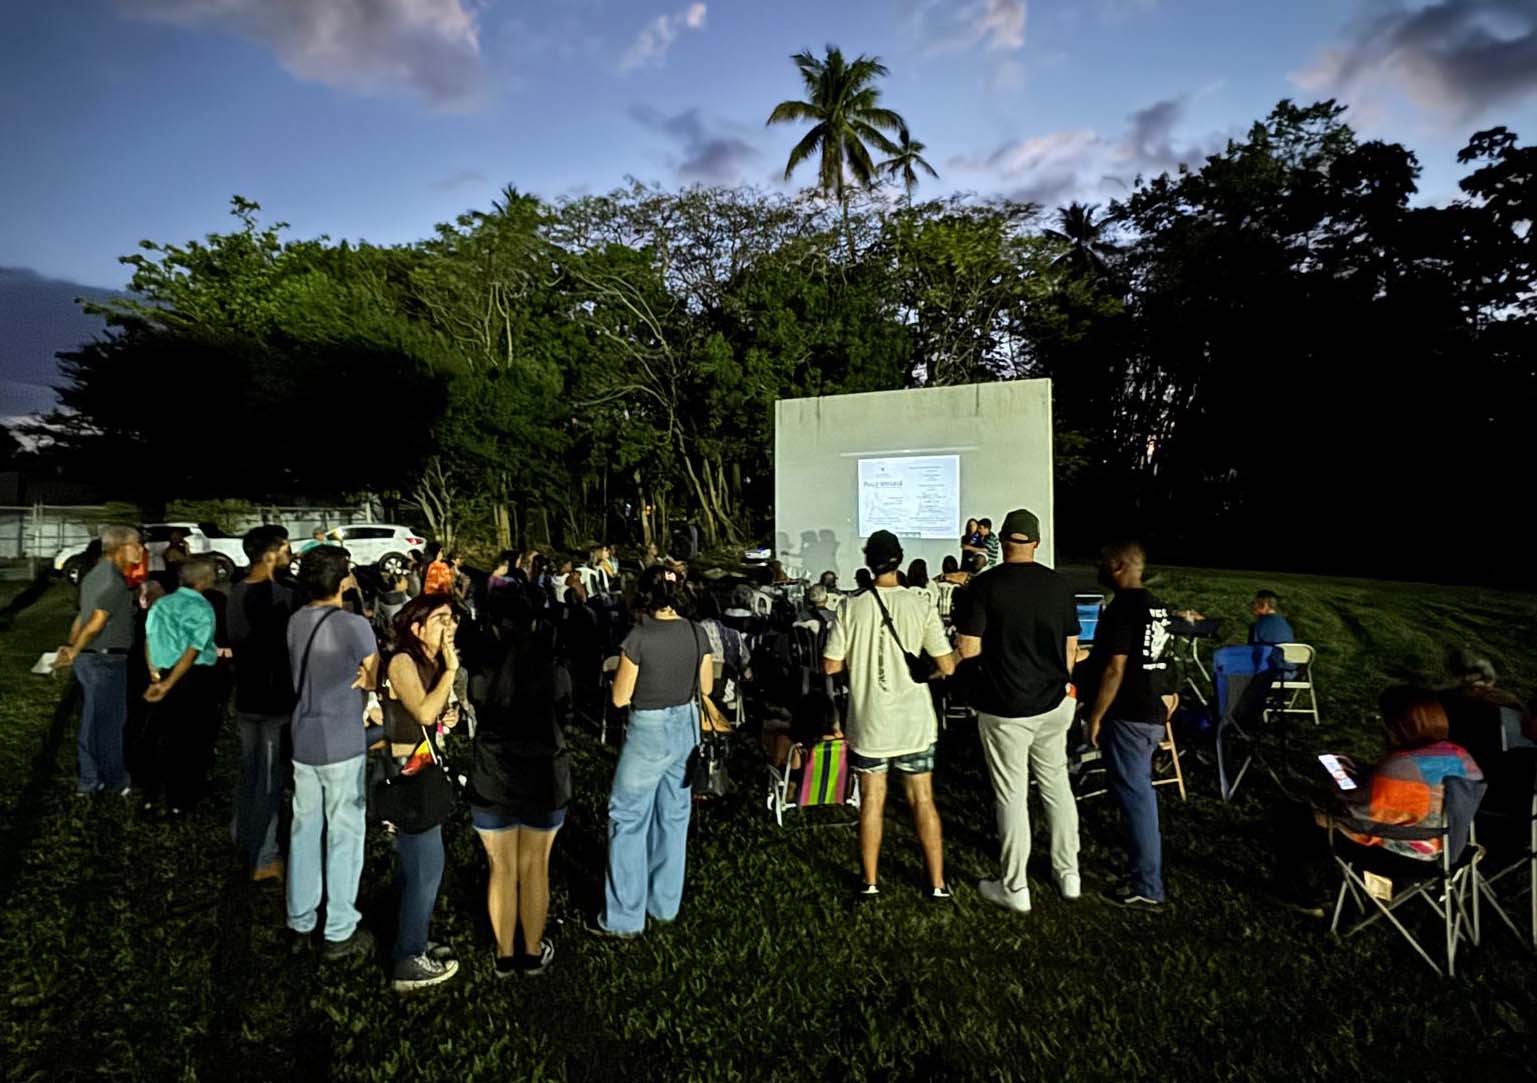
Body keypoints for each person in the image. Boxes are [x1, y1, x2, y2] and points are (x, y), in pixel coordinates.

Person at [954, 509, 1082, 912]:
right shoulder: (1059, 586)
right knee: (1056, 786)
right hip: (1055, 701)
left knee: (1011, 794)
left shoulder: (984, 586)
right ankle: (1069, 875)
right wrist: (1062, 683)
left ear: (1003, 541)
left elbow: (968, 649)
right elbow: (1071, 647)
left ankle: (1015, 887)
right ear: (1036, 543)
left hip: (1006, 705)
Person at [823, 530, 957, 903]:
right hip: (915, 721)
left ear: (868, 561)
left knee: (871, 800)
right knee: (923, 800)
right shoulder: (920, 604)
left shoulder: (851, 606)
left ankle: (869, 882)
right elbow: (946, 665)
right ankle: (937, 883)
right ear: (900, 559)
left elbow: (831, 664)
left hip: (869, 721)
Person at [599, 566, 726, 937]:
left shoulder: (638, 637)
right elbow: (705, 686)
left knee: (628, 817)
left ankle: (625, 917)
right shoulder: (696, 631)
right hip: (686, 727)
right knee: (673, 816)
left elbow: (620, 698)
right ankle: (664, 904)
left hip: (649, 730)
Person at [467, 588, 570, 977]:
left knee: (502, 867)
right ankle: (530, 952)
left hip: (493, 776)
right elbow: (565, 707)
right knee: (535, 867)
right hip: (544, 774)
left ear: (493, 626)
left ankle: (504, 955)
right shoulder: (551, 664)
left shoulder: (483, 666)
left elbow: (475, 701)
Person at [285, 546, 380, 962]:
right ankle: (339, 928)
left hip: (303, 738)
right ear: (344, 580)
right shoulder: (354, 625)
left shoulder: (294, 621)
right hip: (341, 740)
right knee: (344, 833)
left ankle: (300, 919)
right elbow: (372, 676)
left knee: (304, 830)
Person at [1080, 541, 1173, 910]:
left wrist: (1098, 714)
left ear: (1118, 566)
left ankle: (1147, 886)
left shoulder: (1122, 609)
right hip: (1151, 711)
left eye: (1102, 562)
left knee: (1137, 799)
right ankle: (1141, 873)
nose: (1098, 567)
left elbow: (1115, 667)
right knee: (1138, 794)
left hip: (1128, 713)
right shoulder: (1157, 607)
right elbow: (1162, 658)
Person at [380, 594, 464, 991]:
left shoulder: (429, 664)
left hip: (427, 771)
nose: (450, 626)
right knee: (427, 867)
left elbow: (438, 716)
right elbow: (423, 713)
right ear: (416, 628)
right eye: (441, 619)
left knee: (417, 865)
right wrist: (451, 671)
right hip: (409, 774)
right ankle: (408, 959)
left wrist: (453, 713)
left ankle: (406, 934)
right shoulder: (401, 662)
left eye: (453, 619)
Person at [227, 525, 301, 880]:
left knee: (250, 772)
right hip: (274, 699)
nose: (290, 554)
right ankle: (264, 856)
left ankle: (243, 835)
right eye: (285, 548)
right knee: (270, 780)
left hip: (247, 695)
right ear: (270, 553)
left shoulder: (236, 590)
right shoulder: (279, 595)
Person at [56, 524, 145, 797]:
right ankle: (111, 780)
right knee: (108, 725)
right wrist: (74, 649)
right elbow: (95, 623)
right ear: (121, 547)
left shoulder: (95, 575)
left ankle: (91, 779)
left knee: (93, 721)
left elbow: (82, 616)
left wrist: (73, 645)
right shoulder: (113, 581)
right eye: (137, 545)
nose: (141, 550)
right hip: (105, 660)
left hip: (92, 658)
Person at [140, 557, 221, 814]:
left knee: (161, 736)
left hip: (161, 672)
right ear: (203, 580)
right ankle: (181, 797)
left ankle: (153, 794)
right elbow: (193, 649)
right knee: (191, 738)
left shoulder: (161, 604)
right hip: (192, 677)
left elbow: (149, 639)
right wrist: (171, 682)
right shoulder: (203, 608)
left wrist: (156, 676)